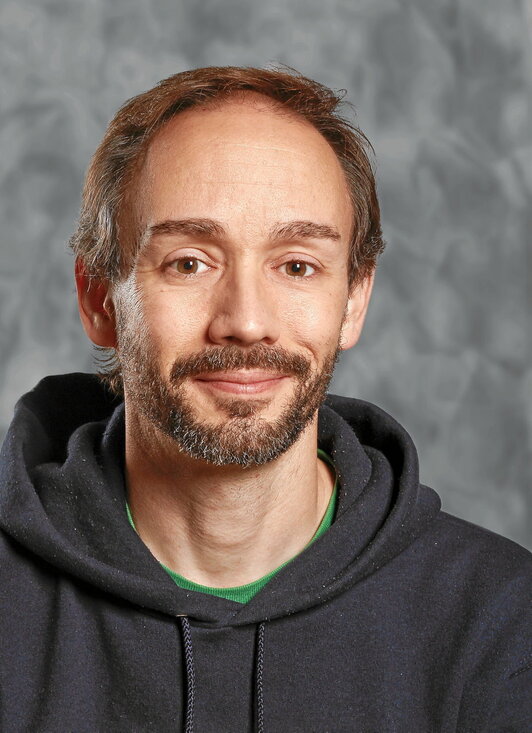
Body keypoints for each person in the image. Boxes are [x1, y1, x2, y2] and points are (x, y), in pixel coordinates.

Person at [0, 66, 530, 733]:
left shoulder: (502, 623)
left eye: (297, 265)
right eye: (189, 262)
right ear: (99, 298)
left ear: (354, 300)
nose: (246, 322)